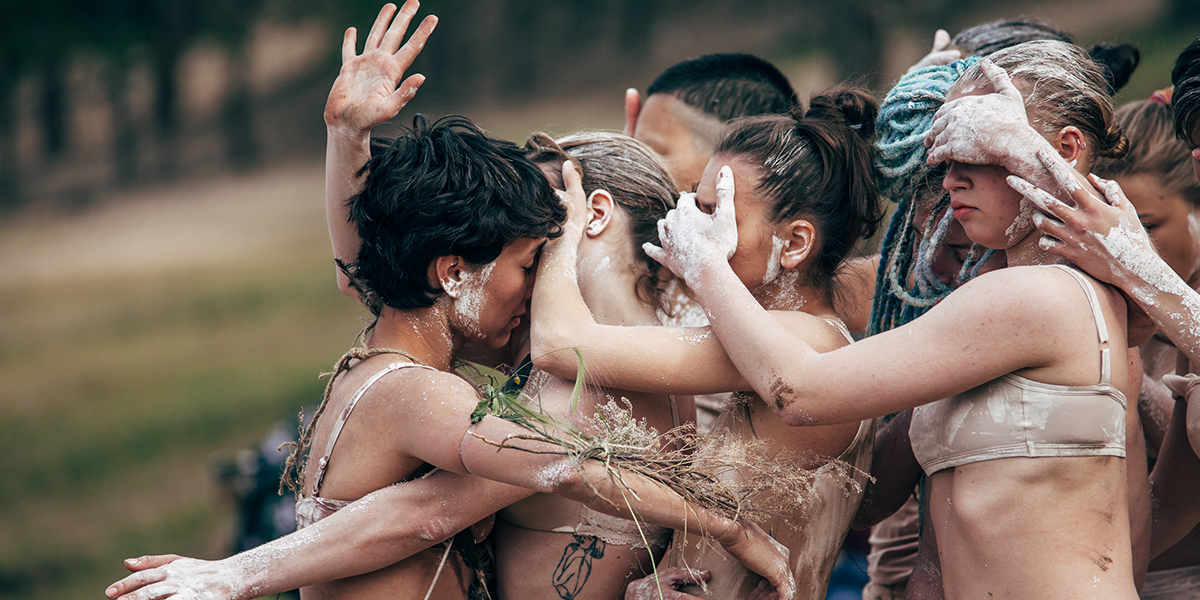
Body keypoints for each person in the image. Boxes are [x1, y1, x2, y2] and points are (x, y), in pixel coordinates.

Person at [103, 4, 795, 600]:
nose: (520, 267)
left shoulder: (608, 361)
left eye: (532, 246)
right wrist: (348, 140)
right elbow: (384, 279)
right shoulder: (526, 365)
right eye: (520, 257)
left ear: (589, 216)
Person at [645, 41, 1143, 599]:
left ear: (1065, 149)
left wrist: (705, 265)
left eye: (972, 151)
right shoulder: (990, 295)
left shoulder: (1035, 296)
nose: (950, 179)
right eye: (943, 158)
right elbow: (872, 494)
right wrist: (738, 548)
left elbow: (800, 394)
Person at [532, 86, 882, 599]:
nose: (690, 227)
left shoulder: (801, 337)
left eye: (715, 213)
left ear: (797, 243)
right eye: (695, 205)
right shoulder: (773, 337)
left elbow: (559, 344)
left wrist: (564, 228)